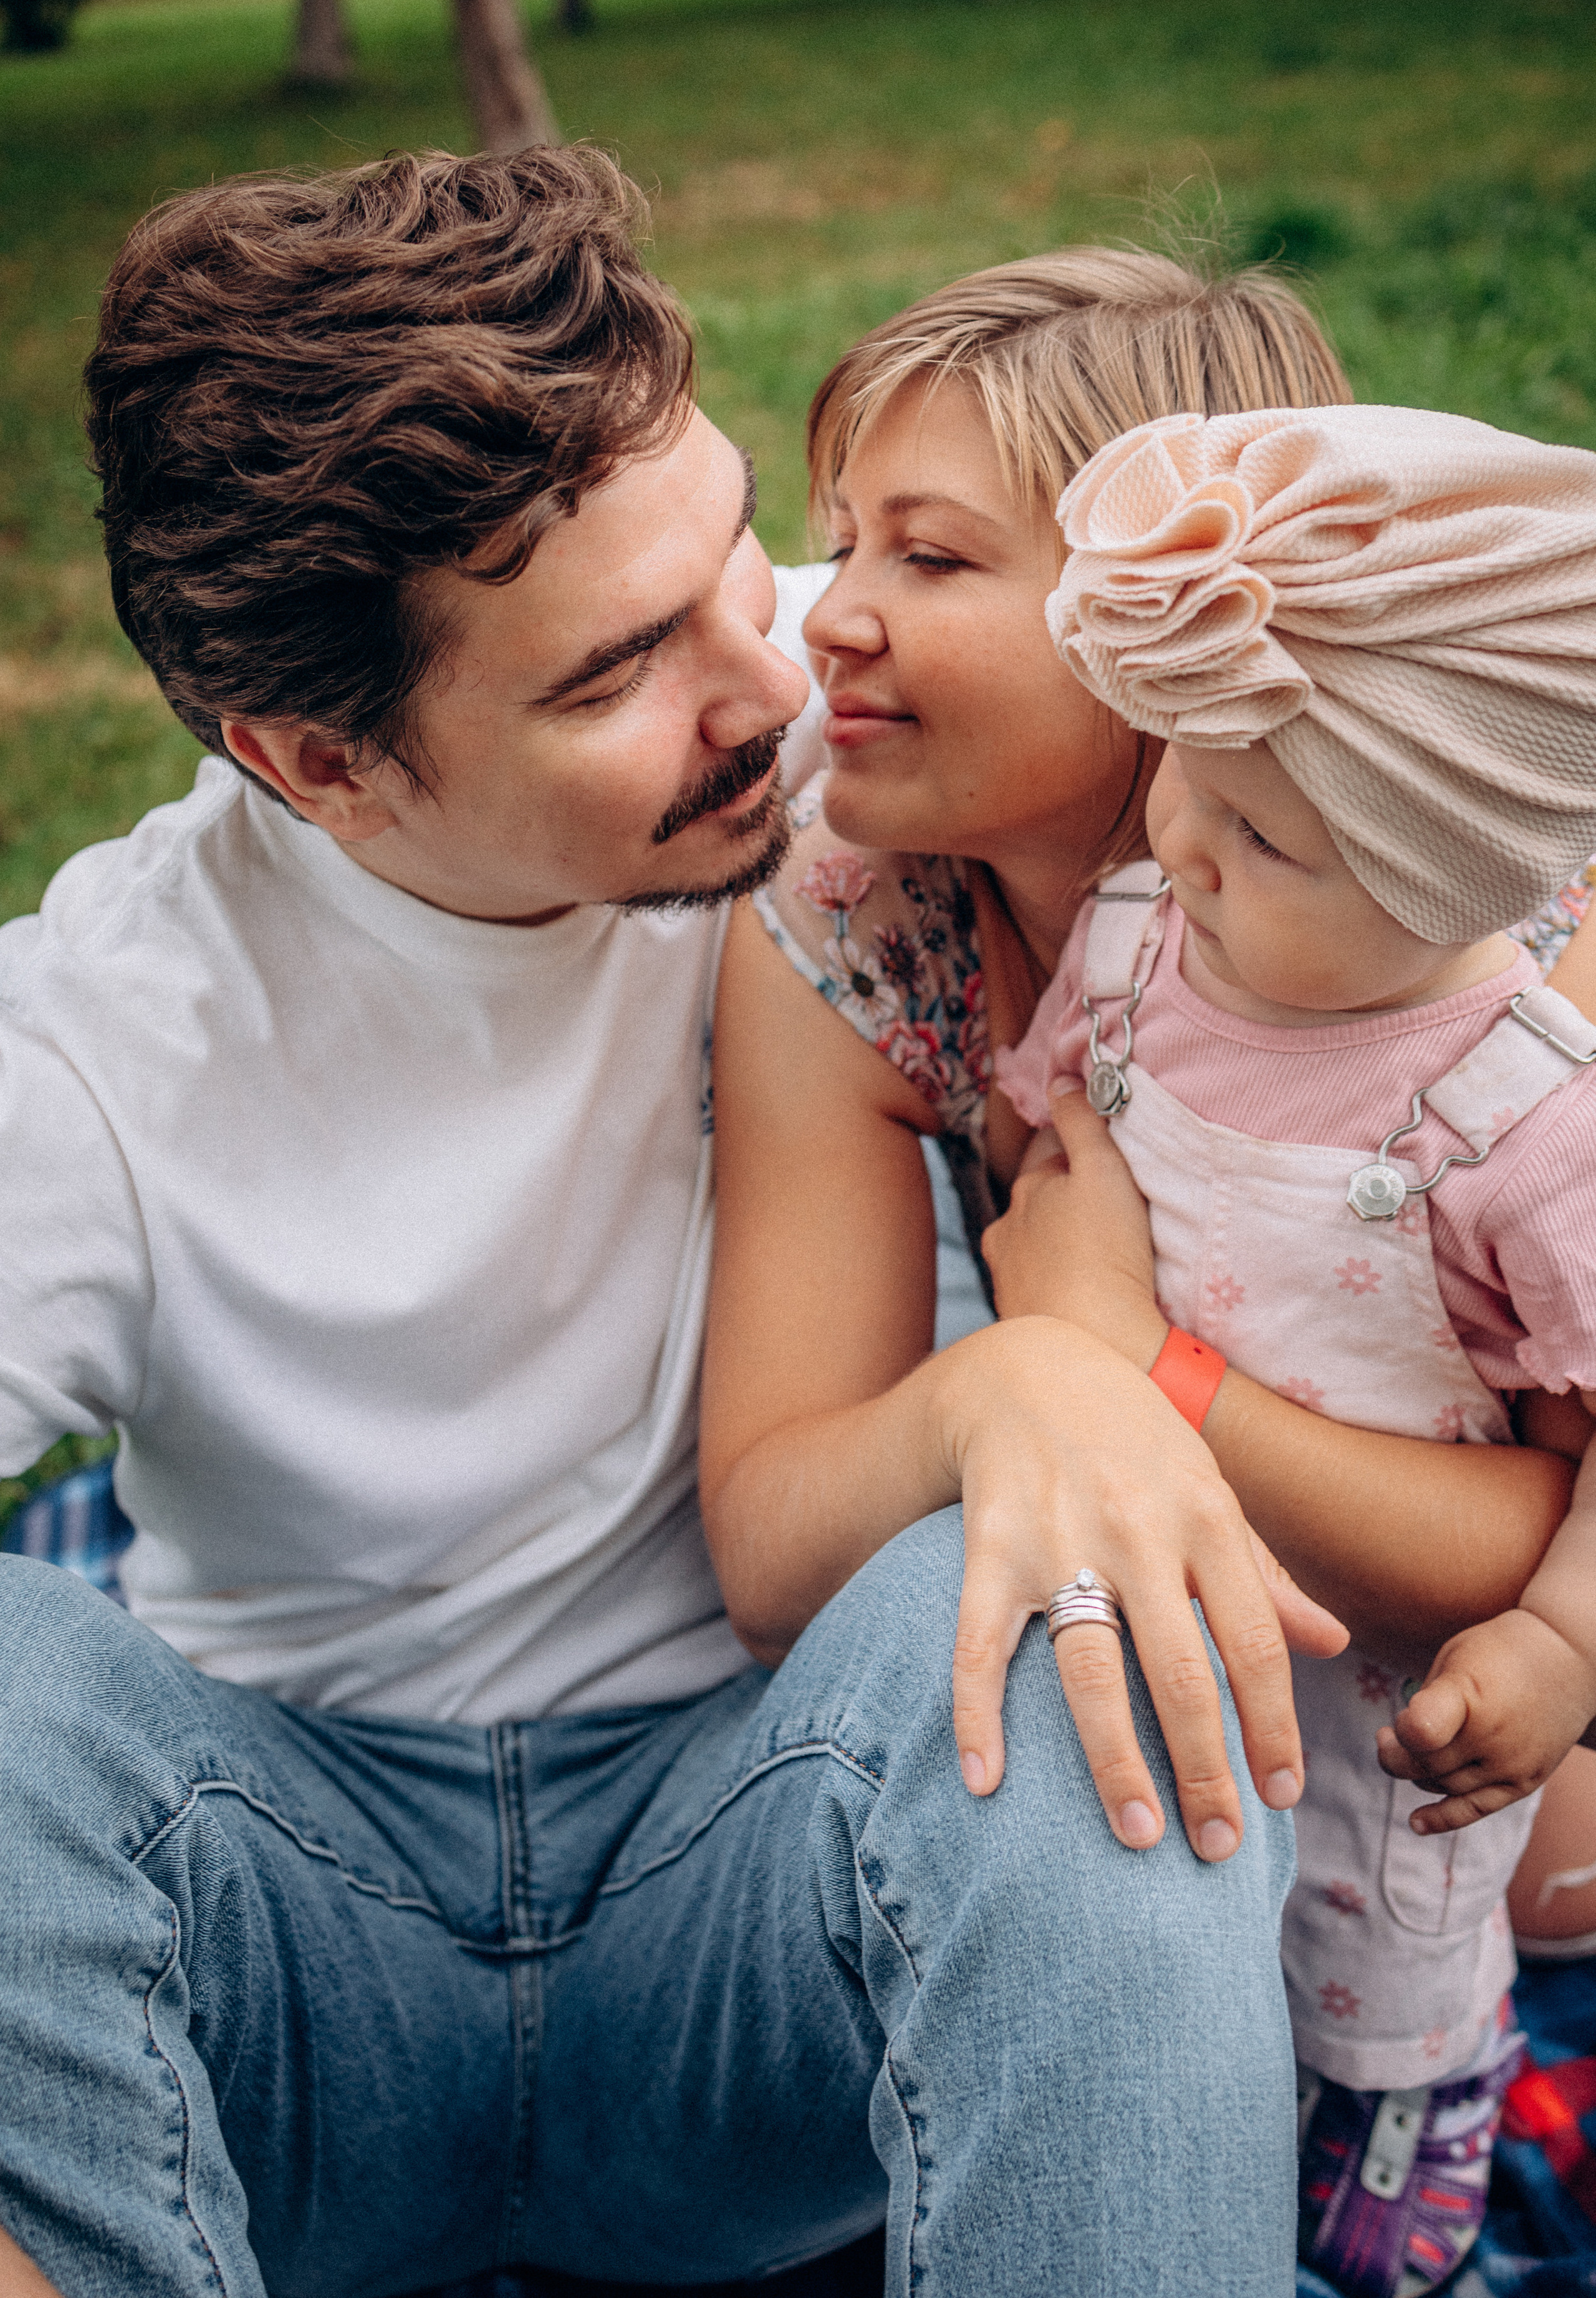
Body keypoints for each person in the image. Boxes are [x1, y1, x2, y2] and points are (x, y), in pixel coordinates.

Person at [0, 149, 1331, 2298]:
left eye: (742, 555)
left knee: (1086, 1613)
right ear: (314, 757)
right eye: (620, 670)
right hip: (285, 1986)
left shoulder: (867, 734)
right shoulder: (89, 1053)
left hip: (771, 1909)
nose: (783, 680)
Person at [993, 400, 1596, 2296]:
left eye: (1261, 831)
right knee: (1168, 1877)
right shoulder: (1140, 936)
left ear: (1456, 885)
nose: (1178, 831)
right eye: (1185, 771)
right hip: (1156, 1557)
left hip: (1387, 1651)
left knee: (1382, 1902)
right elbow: (1051, 1154)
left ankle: (1417, 2087)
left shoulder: (1522, 1120)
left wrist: (1567, 1643)